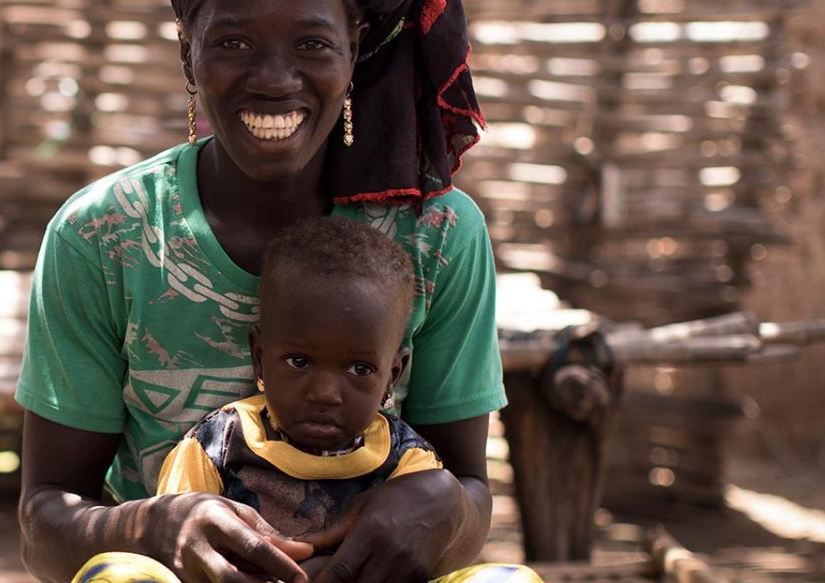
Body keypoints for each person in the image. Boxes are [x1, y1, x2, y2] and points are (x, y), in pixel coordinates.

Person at [15, 0, 504, 583]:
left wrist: (446, 509)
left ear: (354, 51)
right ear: (188, 55)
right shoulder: (105, 235)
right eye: (234, 42)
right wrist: (151, 527)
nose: (274, 79)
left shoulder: (436, 233)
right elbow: (44, 523)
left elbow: (469, 497)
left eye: (312, 43)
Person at [148, 217, 537, 583]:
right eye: (299, 361)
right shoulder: (216, 447)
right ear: (259, 357)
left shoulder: (407, 464)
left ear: (393, 376)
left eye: (360, 369)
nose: (325, 393)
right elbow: (178, 547)